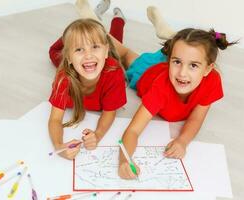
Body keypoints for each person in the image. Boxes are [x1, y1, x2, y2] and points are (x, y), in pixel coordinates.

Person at [74, 0, 237, 179]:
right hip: (147, 72)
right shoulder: (160, 88)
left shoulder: (212, 80)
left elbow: (197, 118)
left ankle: (169, 37)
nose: (183, 73)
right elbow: (133, 131)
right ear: (170, 61)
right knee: (126, 54)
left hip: (167, 65)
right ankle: (95, 28)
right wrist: (124, 161)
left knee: (184, 52)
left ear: (208, 68)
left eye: (194, 66)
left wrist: (183, 141)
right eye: (177, 62)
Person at [48, 15, 127, 160]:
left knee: (116, 42)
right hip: (69, 57)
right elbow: (55, 119)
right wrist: (59, 146)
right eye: (79, 49)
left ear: (105, 52)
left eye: (95, 47)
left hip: (104, 54)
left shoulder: (114, 71)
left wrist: (97, 135)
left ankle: (118, 19)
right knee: (53, 52)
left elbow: (109, 112)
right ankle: (83, 29)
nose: (88, 55)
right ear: (69, 58)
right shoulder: (63, 78)